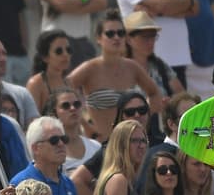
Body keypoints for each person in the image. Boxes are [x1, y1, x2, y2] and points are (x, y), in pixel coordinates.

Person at [68, 11, 164, 142]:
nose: (116, 37)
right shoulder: (89, 68)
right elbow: (62, 93)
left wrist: (142, 116)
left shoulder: (132, 67)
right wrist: (85, 125)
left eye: (120, 33)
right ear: (98, 38)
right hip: (102, 143)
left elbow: (154, 93)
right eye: (110, 33)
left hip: (130, 142)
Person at [10, 116, 81, 195]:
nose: (61, 144)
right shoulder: (20, 184)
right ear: (36, 148)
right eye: (54, 140)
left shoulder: (68, 184)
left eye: (63, 139)